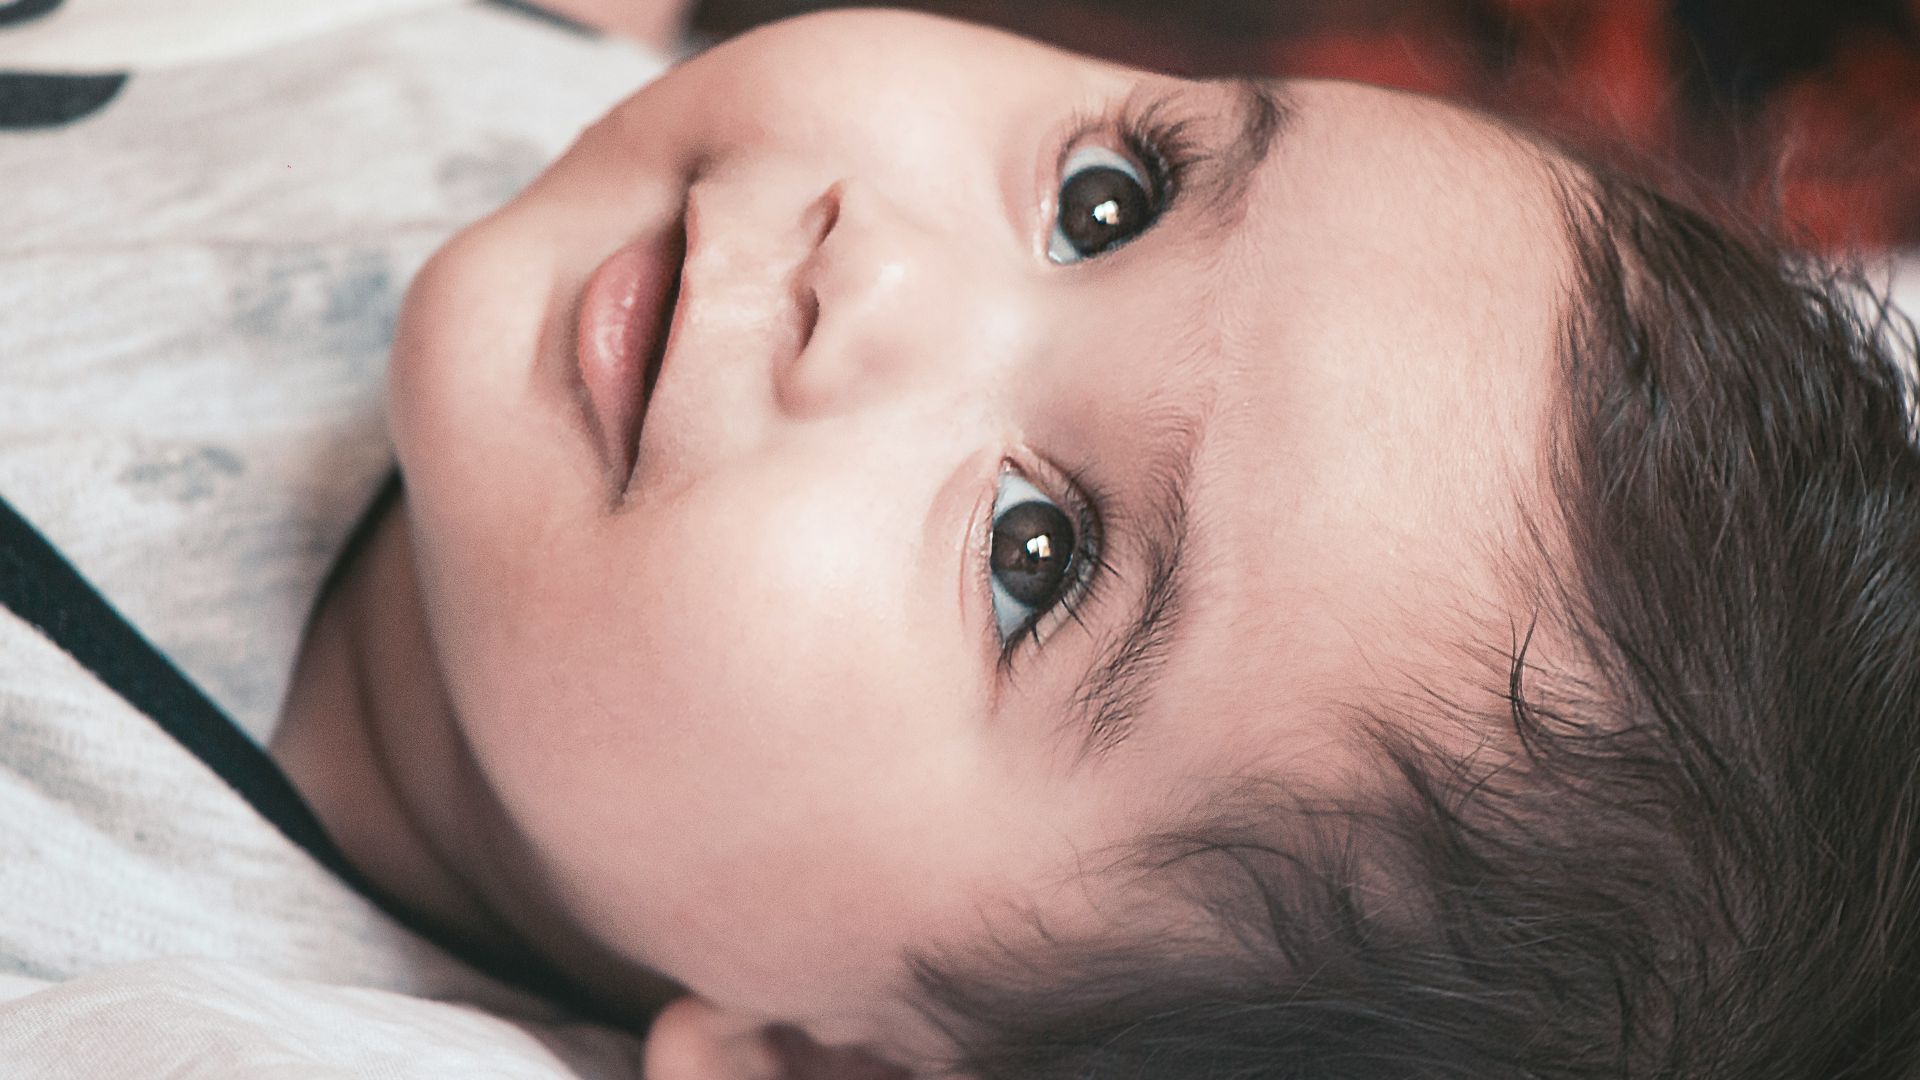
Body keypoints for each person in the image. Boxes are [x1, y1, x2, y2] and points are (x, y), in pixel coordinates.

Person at [6, 6, 1919, 1078]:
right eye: (1111, 196)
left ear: (818, 1070)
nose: (878, 262)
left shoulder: (196, 1020)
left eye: (1039, 557)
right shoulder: (581, 153)